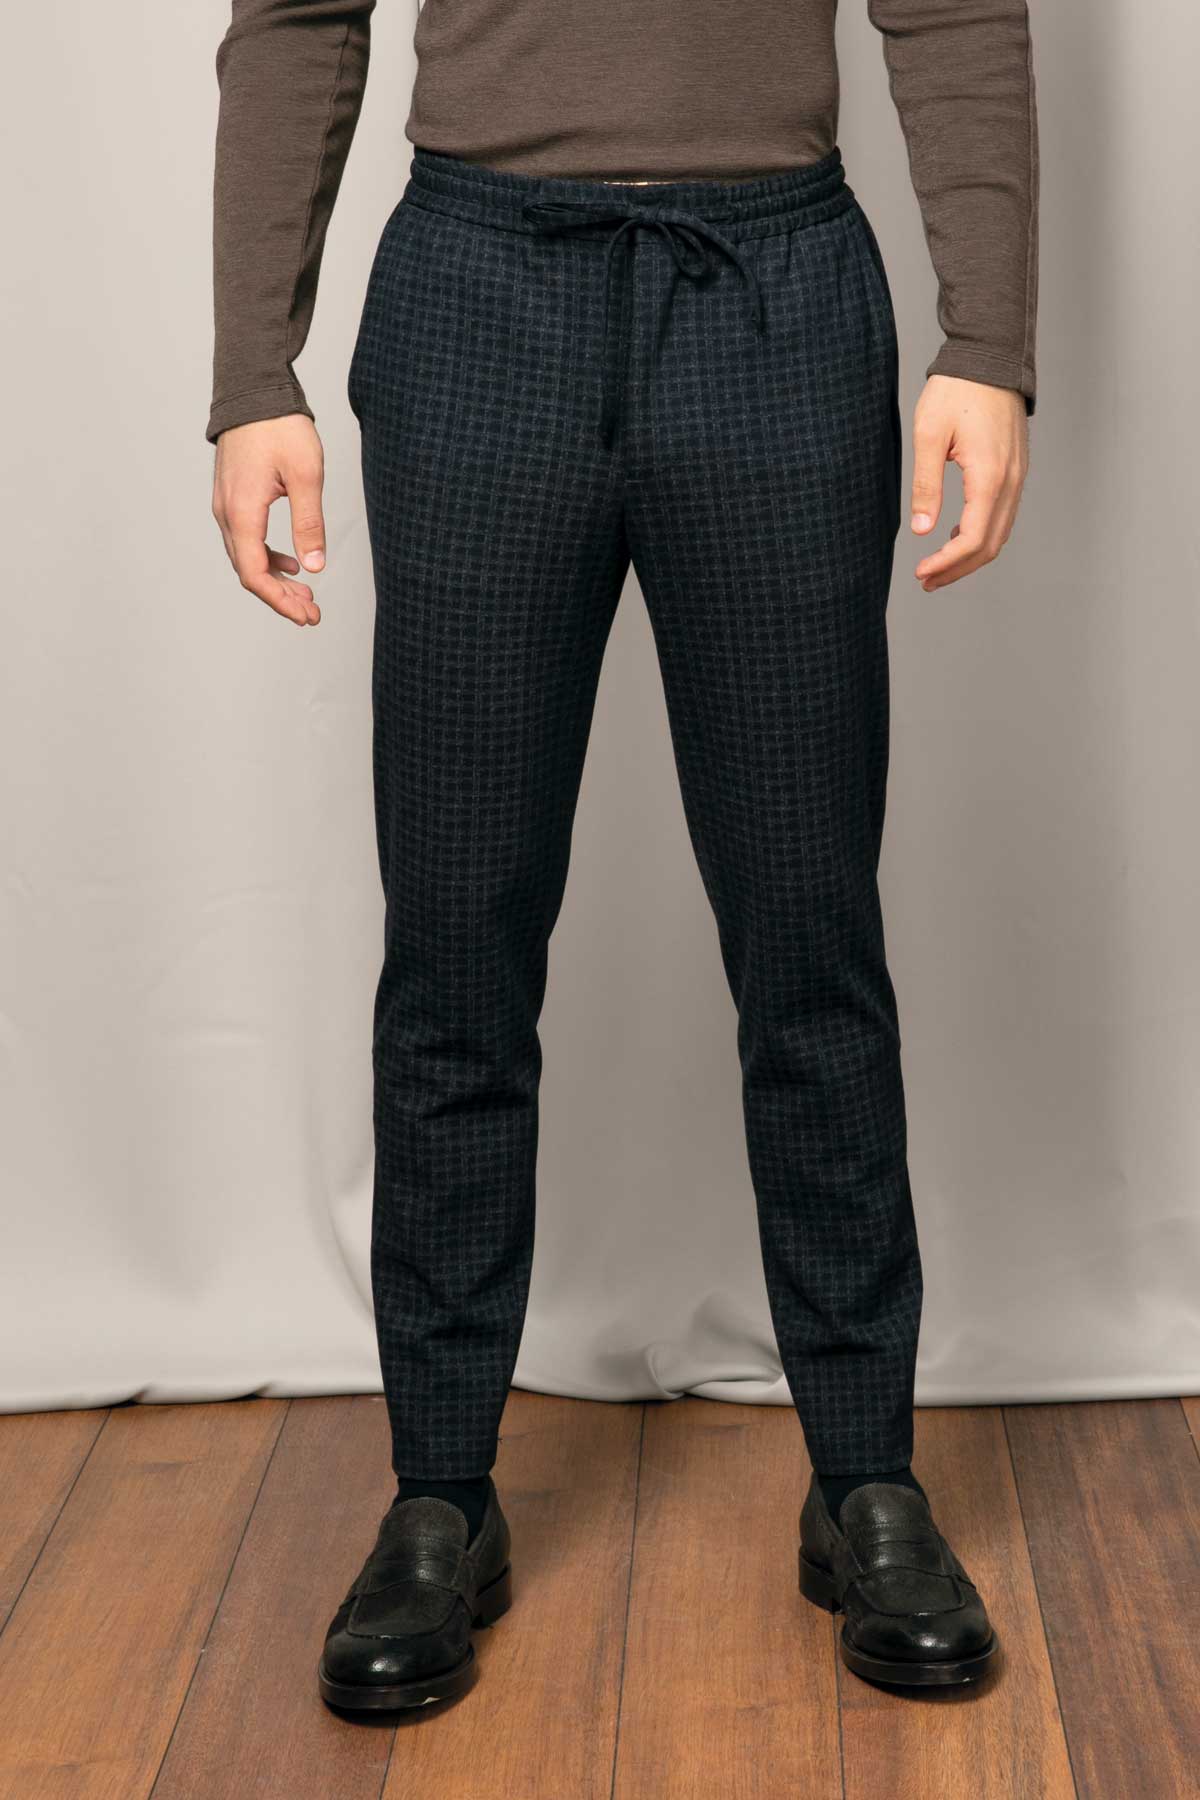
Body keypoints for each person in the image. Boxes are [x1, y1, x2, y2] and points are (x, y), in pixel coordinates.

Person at [208, 0, 1036, 1705]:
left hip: (780, 298)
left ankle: (865, 1477)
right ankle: (440, 1493)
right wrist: (248, 370)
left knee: (810, 934)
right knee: (456, 939)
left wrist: (991, 336)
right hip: (474, 292)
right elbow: (296, 14)